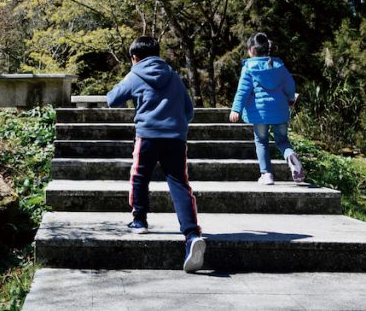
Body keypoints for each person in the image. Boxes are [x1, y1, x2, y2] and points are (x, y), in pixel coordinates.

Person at [106, 36, 205, 273]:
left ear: (134, 57)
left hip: (147, 136)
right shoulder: (174, 76)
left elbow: (112, 99)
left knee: (140, 176)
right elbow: (188, 110)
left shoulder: (135, 74)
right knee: (180, 184)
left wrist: (131, 79)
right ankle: (192, 235)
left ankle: (139, 220)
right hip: (175, 138)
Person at [229, 32, 305, 184]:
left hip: (260, 113)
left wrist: (236, 109)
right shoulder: (279, 66)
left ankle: (266, 175)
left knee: (261, 141)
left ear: (251, 50)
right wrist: (290, 99)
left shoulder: (249, 67)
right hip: (280, 111)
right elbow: (290, 85)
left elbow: (243, 90)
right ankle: (290, 155)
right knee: (283, 141)